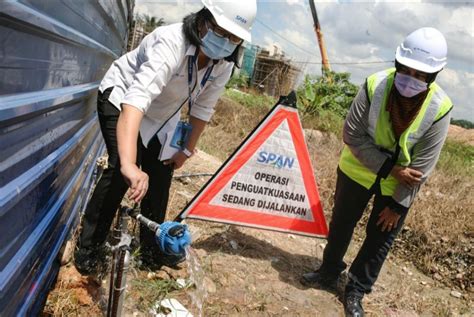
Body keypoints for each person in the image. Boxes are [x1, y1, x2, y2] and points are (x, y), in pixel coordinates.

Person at [74, 0, 257, 274]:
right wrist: (129, 163)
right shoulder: (171, 42)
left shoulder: (223, 65)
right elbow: (137, 100)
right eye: (221, 32)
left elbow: (204, 109)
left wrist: (186, 149)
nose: (225, 42)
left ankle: (151, 249)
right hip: (123, 97)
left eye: (233, 38)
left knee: (161, 173)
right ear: (203, 20)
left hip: (162, 114)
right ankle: (89, 247)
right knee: (119, 172)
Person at [301, 27, 453, 317]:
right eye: (407, 71)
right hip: (358, 168)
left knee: (380, 238)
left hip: (400, 185)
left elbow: (422, 166)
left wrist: (398, 204)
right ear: (397, 65)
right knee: (342, 223)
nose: (412, 80)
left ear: (432, 77)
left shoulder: (440, 108)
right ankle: (329, 271)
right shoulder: (375, 85)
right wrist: (391, 168)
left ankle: (356, 290)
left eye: (421, 76)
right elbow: (352, 135)